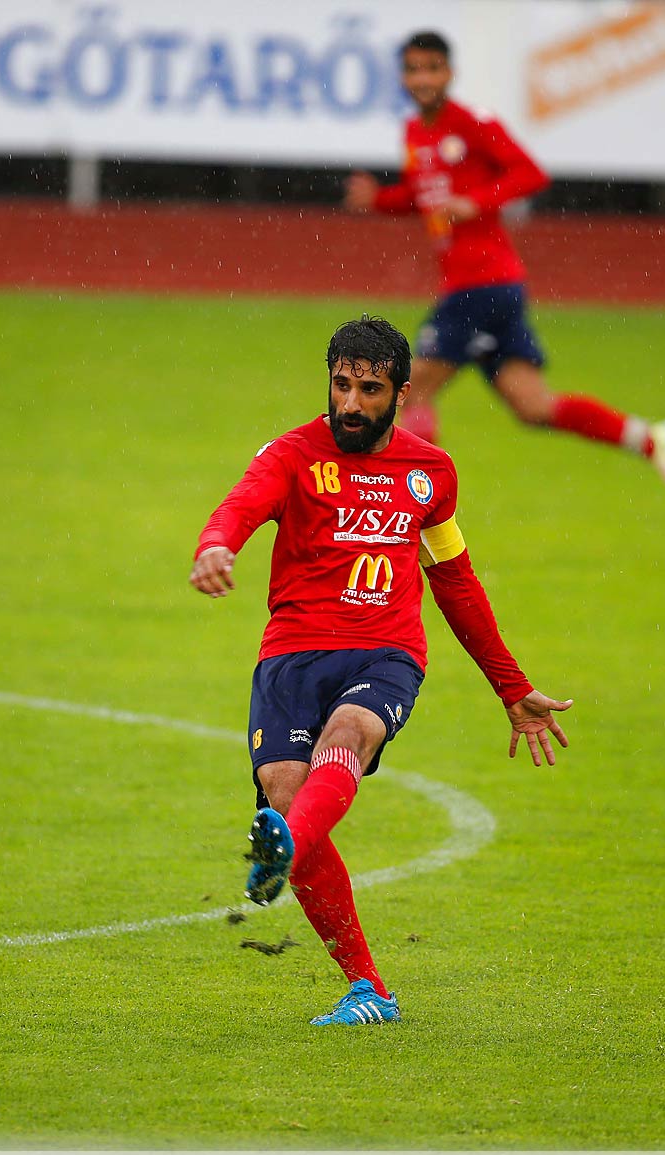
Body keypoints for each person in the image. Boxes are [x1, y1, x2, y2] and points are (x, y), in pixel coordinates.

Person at [189, 315, 573, 1028]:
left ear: (400, 394)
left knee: (350, 732)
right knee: (285, 795)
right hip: (292, 655)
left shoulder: (431, 475)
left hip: (385, 652)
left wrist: (511, 687)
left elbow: (455, 582)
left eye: (369, 389)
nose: (351, 403)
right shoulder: (293, 455)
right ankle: (371, 989)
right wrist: (217, 545)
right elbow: (241, 505)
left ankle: (288, 844)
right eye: (341, 385)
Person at [344, 30, 665, 511]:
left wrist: (477, 201)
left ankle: (410, 514)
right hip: (493, 288)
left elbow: (530, 173)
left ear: (449, 73)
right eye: (413, 69)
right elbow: (422, 196)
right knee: (534, 407)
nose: (422, 78)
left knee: (410, 388)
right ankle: (653, 440)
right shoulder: (414, 133)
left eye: (431, 68)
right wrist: (380, 200)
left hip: (481, 285)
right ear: (403, 76)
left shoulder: (470, 124)